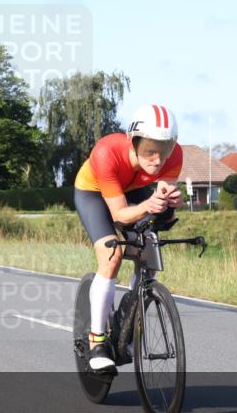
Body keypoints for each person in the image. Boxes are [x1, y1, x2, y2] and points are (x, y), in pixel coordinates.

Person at [73, 104, 184, 371]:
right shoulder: (107, 152)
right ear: (132, 143)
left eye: (164, 150)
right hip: (94, 194)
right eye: (149, 150)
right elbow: (121, 216)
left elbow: (162, 206)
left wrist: (169, 204)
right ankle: (97, 341)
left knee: (150, 252)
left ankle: (131, 323)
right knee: (113, 255)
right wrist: (148, 206)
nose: (158, 159)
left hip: (134, 191)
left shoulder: (175, 156)